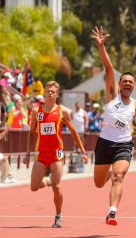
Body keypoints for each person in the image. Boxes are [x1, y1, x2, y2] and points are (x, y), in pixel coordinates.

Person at [91, 26, 136, 226]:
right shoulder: (111, 96)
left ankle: (112, 212)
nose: (127, 83)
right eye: (124, 81)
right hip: (104, 144)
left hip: (123, 145)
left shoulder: (134, 103)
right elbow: (109, 69)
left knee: (118, 176)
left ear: (134, 86)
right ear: (119, 85)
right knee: (98, 183)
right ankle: (109, 171)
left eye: (131, 82)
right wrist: (101, 47)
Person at [23, 80, 88, 228]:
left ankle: (58, 216)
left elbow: (73, 132)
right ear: (44, 93)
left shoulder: (62, 111)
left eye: (53, 91)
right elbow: (31, 133)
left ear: (57, 94)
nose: (50, 93)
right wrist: (27, 153)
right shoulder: (36, 112)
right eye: (48, 91)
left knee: (57, 187)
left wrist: (83, 152)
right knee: (34, 186)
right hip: (41, 153)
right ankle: (48, 180)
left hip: (56, 153)